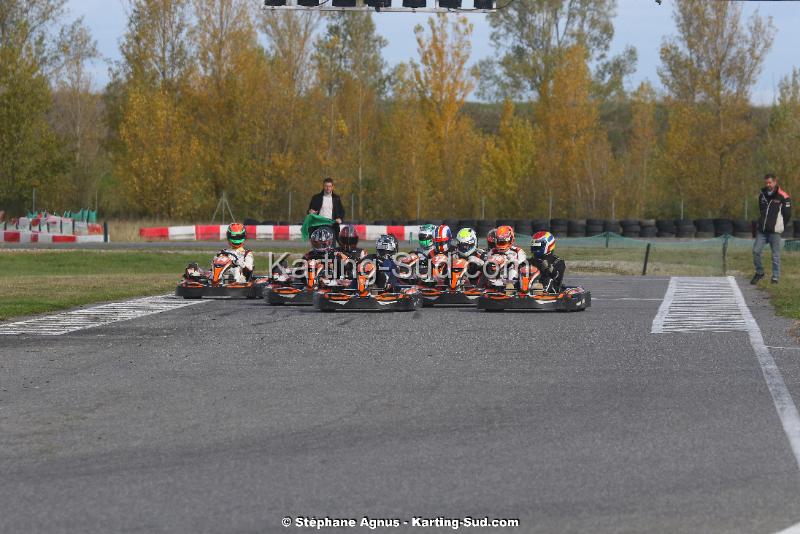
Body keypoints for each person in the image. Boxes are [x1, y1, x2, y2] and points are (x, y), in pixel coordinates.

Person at [752, 173, 791, 284]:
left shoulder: (783, 196)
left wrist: (780, 225)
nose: (768, 184)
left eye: (770, 182)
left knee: (775, 255)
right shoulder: (762, 194)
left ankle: (775, 277)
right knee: (756, 251)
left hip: (775, 232)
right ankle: (760, 272)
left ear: (775, 182)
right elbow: (761, 210)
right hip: (762, 231)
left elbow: (787, 214)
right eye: (766, 182)